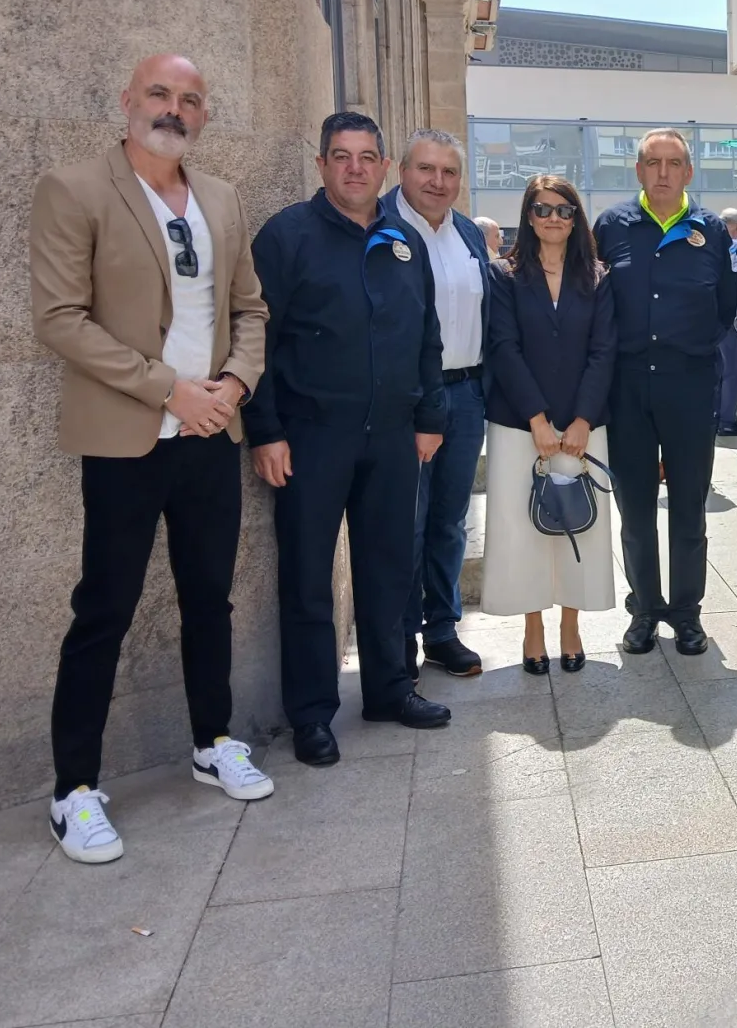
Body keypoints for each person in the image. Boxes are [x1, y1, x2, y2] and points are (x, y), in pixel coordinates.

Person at [30, 54, 273, 863]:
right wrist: (172, 390)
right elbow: (62, 319)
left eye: (191, 99)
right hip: (129, 438)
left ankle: (213, 741)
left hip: (211, 436)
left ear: (204, 116)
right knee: (104, 609)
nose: (174, 108)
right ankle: (74, 790)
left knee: (210, 600)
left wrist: (232, 386)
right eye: (161, 94)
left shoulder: (222, 199)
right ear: (129, 100)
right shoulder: (76, 189)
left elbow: (248, 309)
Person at [245, 112, 452, 768]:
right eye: (342, 156)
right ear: (323, 165)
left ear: (384, 168)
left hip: (392, 436)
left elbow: (426, 339)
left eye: (367, 157)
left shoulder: (404, 241)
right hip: (311, 438)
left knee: (390, 567)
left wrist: (430, 417)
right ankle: (311, 715)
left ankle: (391, 689)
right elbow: (257, 340)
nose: (355, 168)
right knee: (307, 577)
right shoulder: (287, 237)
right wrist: (266, 431)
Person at [594, 128, 737, 656]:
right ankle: (644, 610)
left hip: (689, 385)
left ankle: (686, 611)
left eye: (672, 163)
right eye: (652, 163)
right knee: (634, 507)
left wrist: (691, 346)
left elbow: (727, 304)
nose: (662, 172)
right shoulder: (612, 226)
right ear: (638, 171)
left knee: (688, 506)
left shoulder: (709, 231)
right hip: (627, 387)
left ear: (688, 172)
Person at [480, 175, 617, 671]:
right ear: (528, 216)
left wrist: (581, 419)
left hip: (584, 424)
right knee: (525, 529)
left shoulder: (599, 276)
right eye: (543, 209)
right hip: (520, 424)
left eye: (565, 210)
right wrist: (537, 418)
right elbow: (504, 347)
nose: (554, 218)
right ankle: (533, 628)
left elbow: (604, 352)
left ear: (576, 218)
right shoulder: (504, 275)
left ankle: (571, 625)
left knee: (578, 523)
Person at [388, 131, 492, 679]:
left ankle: (443, 629)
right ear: (402, 171)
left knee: (451, 521)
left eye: (449, 172)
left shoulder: (469, 234)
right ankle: (401, 636)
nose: (437, 182)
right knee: (408, 522)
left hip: (466, 394)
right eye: (426, 169)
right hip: (407, 401)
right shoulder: (381, 228)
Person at [715, 207, 737, 436]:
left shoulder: (710, 246)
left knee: (721, 369)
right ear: (736, 226)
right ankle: (727, 420)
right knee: (731, 370)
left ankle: (725, 414)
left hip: (715, 316)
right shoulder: (735, 248)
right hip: (734, 316)